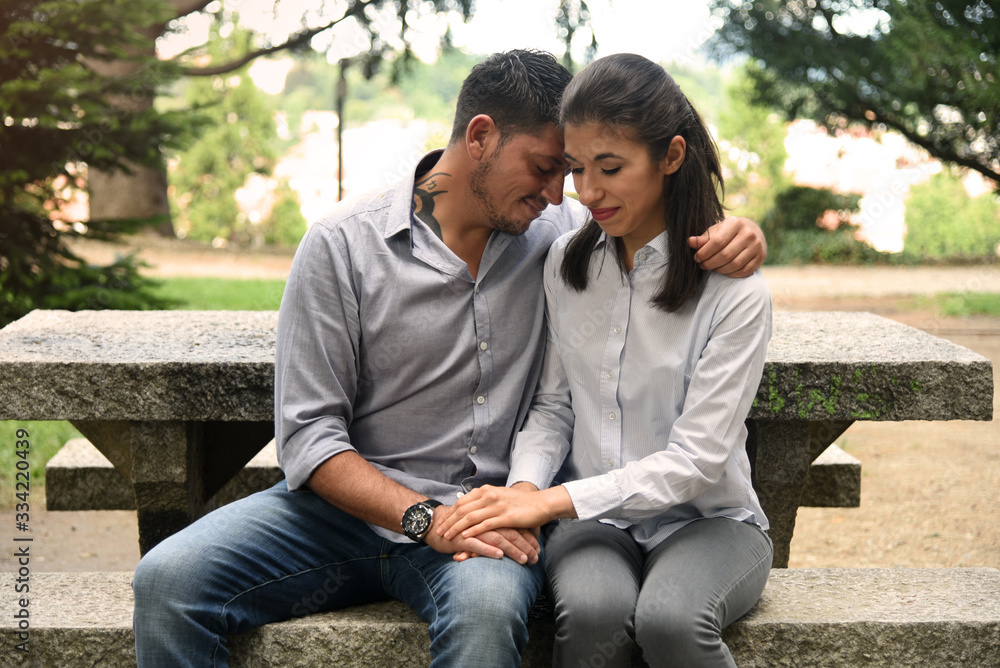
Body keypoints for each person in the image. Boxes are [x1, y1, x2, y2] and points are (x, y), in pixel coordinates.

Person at [131, 50, 767, 668]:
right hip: (343, 515)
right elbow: (309, 437)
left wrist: (736, 228)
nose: (559, 193)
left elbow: (646, 203)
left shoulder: (558, 237)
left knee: (486, 615)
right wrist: (422, 519)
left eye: (567, 171)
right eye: (550, 168)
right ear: (482, 137)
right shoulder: (341, 246)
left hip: (482, 523)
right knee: (167, 579)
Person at [438, 53, 774, 667]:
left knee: (672, 620)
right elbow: (553, 407)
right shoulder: (567, 264)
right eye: (575, 169)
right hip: (595, 526)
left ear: (670, 157)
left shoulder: (734, 291)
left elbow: (698, 462)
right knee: (594, 611)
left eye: (610, 168)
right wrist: (521, 492)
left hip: (708, 519)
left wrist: (548, 504)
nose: (588, 191)